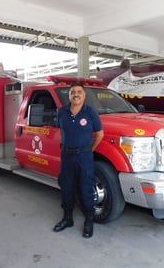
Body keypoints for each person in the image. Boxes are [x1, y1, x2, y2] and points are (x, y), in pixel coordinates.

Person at [54, 82, 104, 238]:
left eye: (79, 92)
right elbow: (62, 131)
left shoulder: (90, 112)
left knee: (86, 188)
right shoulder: (62, 111)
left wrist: (89, 150)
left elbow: (100, 134)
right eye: (73, 92)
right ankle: (67, 218)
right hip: (67, 156)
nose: (76, 94)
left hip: (84, 157)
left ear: (84, 95)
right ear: (69, 95)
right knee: (66, 187)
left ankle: (89, 221)